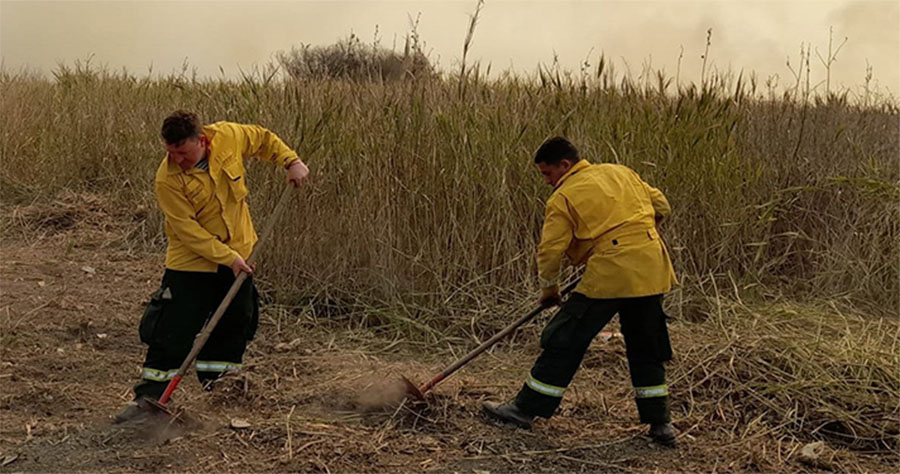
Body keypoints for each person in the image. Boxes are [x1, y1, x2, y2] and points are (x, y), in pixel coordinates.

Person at [482, 137, 678, 446]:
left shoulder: (564, 196)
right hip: (652, 268)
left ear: (565, 165)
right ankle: (661, 425)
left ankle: (524, 410)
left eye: (548, 174)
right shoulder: (621, 172)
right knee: (646, 345)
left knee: (565, 339)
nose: (547, 182)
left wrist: (549, 288)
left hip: (611, 275)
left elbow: (550, 250)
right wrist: (633, 235)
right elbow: (662, 206)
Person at [115, 110, 309, 422]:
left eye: (183, 152)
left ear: (202, 140)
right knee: (173, 329)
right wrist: (227, 258)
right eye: (170, 152)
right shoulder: (167, 179)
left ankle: (221, 392)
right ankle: (149, 399)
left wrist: (291, 161)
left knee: (235, 325)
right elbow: (187, 231)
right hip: (191, 263)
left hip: (240, 257)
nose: (177, 159)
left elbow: (262, 139)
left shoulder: (228, 136)